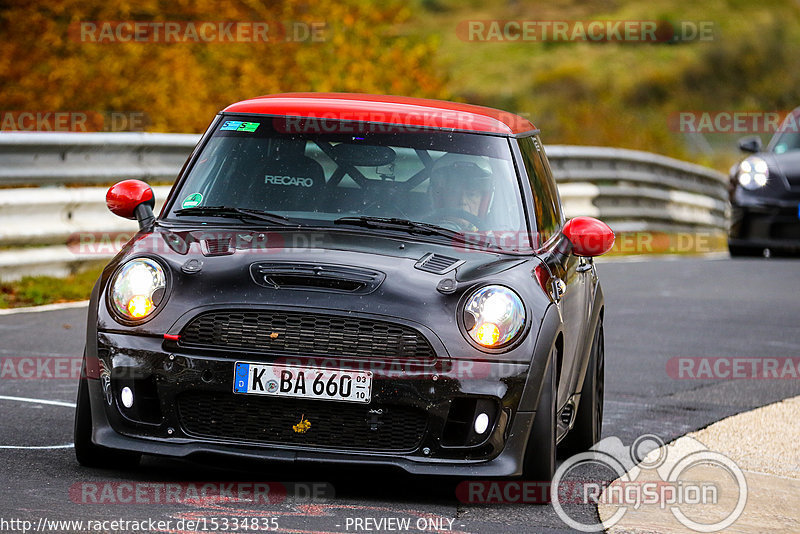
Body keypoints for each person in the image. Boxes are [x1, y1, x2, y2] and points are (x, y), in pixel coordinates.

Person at [428, 160, 494, 231]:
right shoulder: (420, 233)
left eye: (471, 194)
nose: (462, 201)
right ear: (440, 198)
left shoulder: (493, 239)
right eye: (454, 193)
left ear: (483, 202)